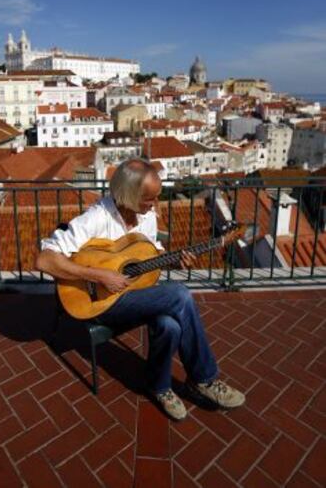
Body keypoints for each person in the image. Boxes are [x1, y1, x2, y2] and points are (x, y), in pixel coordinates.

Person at [36, 158, 245, 421]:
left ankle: (158, 386)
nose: (155, 205)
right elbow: (44, 260)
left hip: (133, 297)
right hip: (99, 303)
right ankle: (204, 379)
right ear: (129, 195)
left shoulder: (146, 217)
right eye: (149, 199)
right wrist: (99, 275)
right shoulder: (97, 217)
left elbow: (147, 262)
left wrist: (173, 261)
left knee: (170, 325)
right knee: (180, 294)